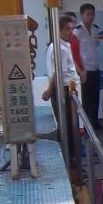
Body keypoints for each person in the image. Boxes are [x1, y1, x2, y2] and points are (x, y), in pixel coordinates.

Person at [41, 14, 80, 167]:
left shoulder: (63, 45)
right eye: (68, 29)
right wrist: (49, 90)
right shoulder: (59, 48)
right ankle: (70, 160)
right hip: (63, 90)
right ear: (59, 30)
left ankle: (71, 158)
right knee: (67, 125)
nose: (71, 32)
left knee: (70, 124)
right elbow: (58, 72)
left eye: (72, 29)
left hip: (67, 88)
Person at [74, 2, 103, 130]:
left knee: (95, 97)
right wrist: (80, 70)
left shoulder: (95, 29)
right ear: (82, 15)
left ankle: (94, 121)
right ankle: (87, 125)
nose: (90, 17)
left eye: (92, 14)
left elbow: (96, 46)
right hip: (84, 69)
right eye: (88, 14)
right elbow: (75, 52)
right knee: (86, 98)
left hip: (95, 67)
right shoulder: (77, 31)